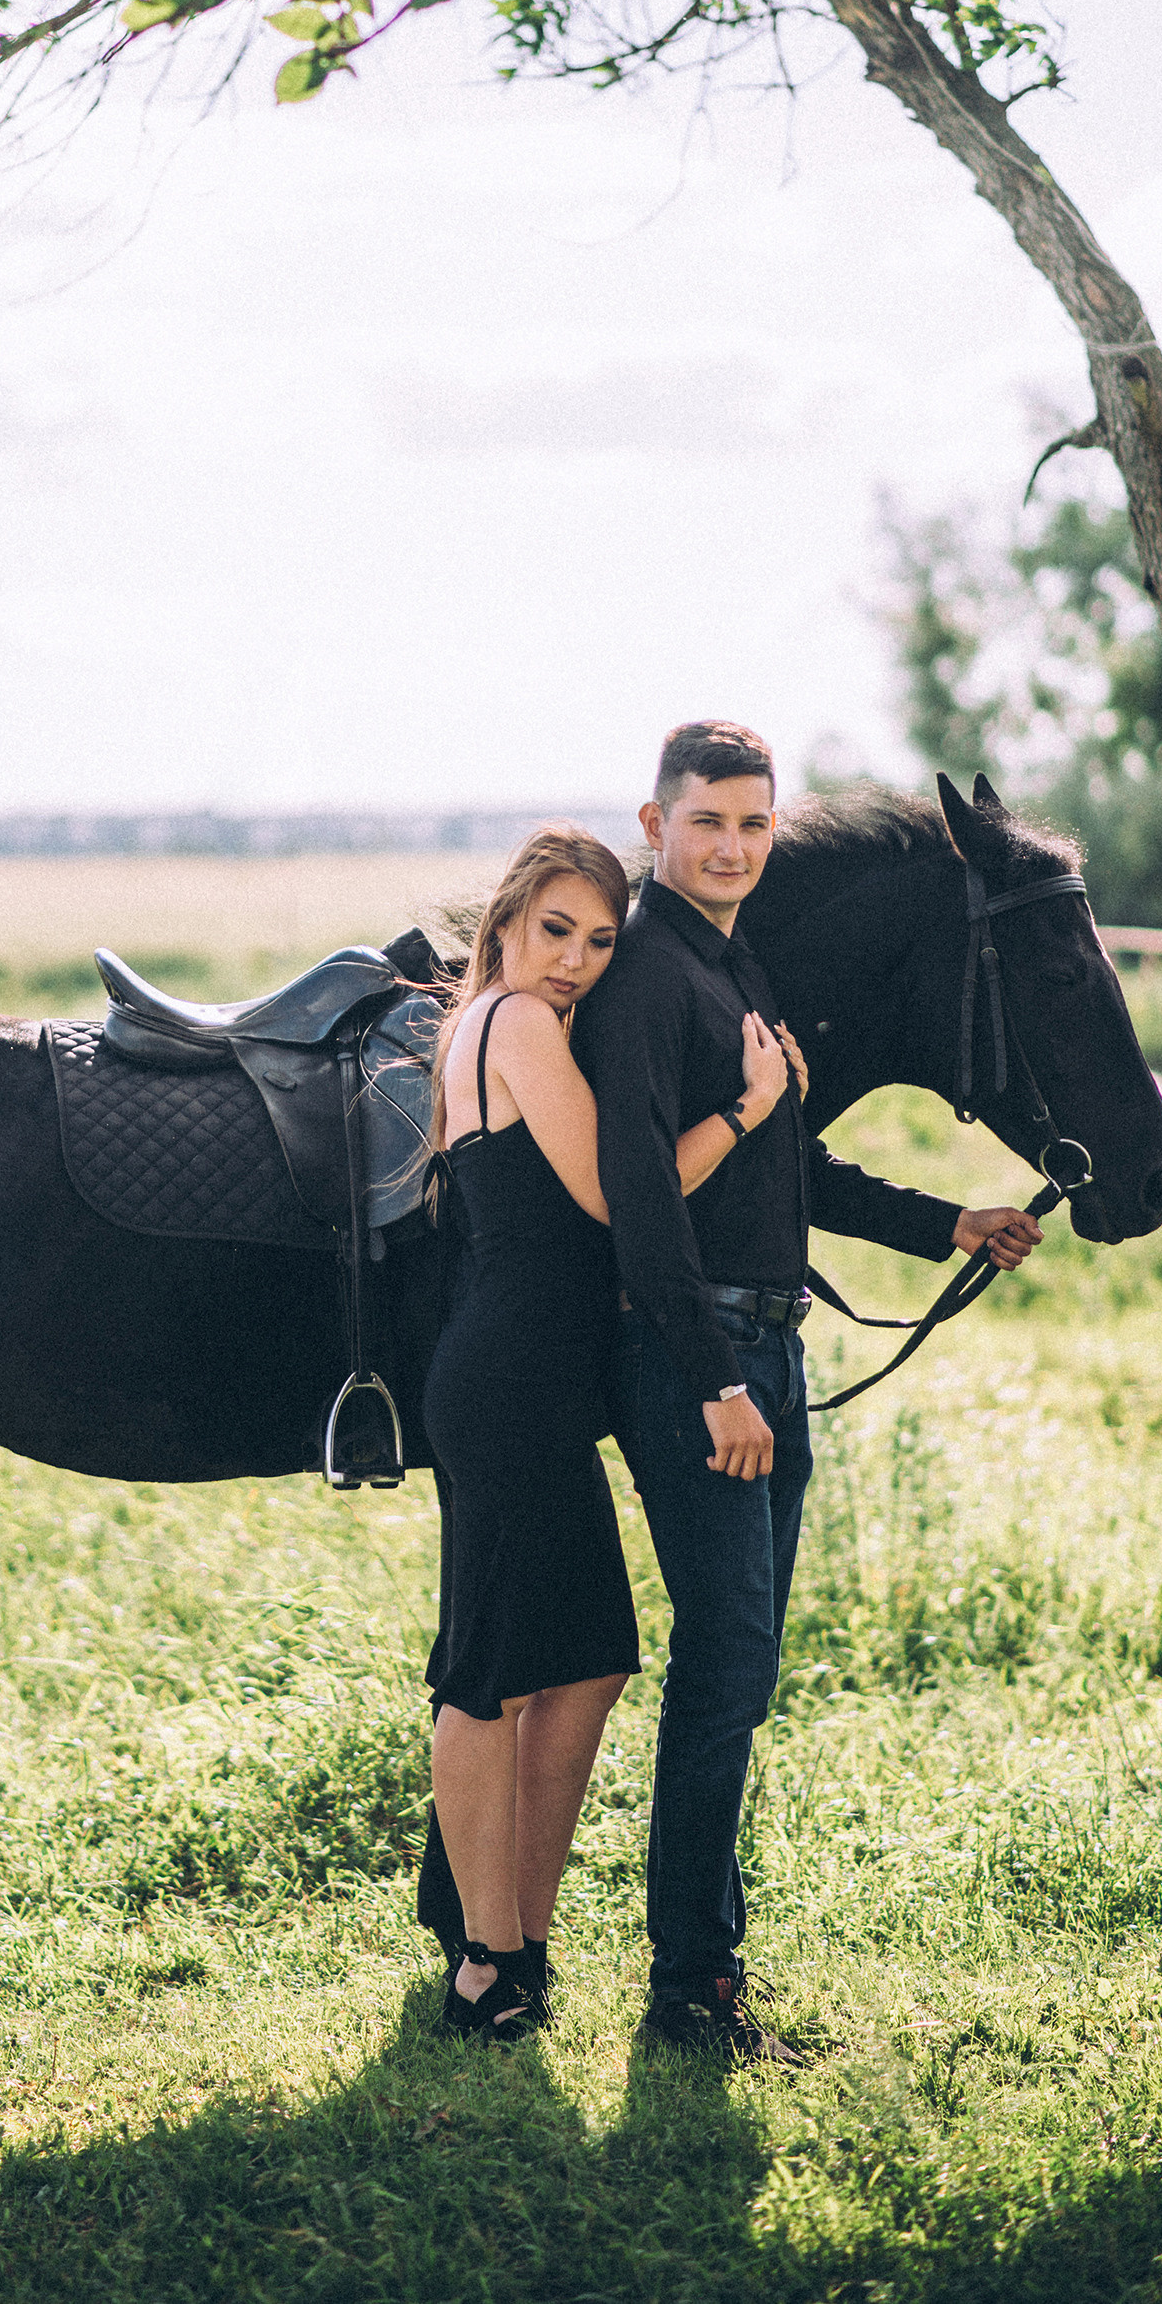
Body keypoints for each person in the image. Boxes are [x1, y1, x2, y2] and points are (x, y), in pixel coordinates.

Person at [575, 720, 1042, 2063]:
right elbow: (643, 1206)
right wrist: (717, 1381)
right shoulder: (653, 982)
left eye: (753, 823)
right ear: (655, 827)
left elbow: (790, 1173)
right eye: (708, 820)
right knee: (725, 1669)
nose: (732, 843)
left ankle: (703, 1968)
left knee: (746, 1667)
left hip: (765, 1349)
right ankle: (687, 1994)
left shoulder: (737, 969)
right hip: (705, 1362)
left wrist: (947, 1220)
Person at [423, 824, 808, 2042]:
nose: (577, 962)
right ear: (504, 925)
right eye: (556, 933)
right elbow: (612, 1193)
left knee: (586, 1660)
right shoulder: (516, 1024)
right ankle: (484, 1963)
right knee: (485, 1672)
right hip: (505, 1383)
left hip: (538, 1385)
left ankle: (521, 1939)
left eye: (598, 941)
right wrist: (748, 1110)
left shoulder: (498, 1020)